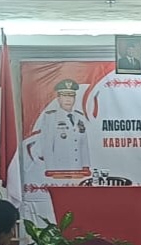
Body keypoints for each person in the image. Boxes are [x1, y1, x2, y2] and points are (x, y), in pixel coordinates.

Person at [21, 78, 91, 220]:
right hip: (58, 172)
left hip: (78, 172)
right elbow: (47, 146)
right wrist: (51, 170)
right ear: (58, 98)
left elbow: (84, 145)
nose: (68, 100)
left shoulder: (80, 117)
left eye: (71, 96)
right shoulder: (51, 118)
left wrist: (86, 167)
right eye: (64, 96)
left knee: (78, 208)